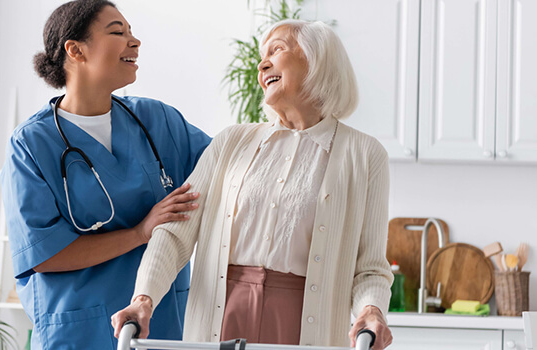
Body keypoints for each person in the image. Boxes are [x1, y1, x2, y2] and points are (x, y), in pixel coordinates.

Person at [111, 19, 394, 350]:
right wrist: (143, 299)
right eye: (263, 56)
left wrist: (372, 311)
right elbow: (176, 234)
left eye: (277, 50)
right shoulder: (231, 142)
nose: (262, 64)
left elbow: (370, 267)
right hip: (220, 315)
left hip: (303, 323)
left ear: (318, 60)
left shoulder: (364, 154)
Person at [0, 1, 211, 348]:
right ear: (76, 50)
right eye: (118, 32)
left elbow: (228, 170)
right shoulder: (31, 144)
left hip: (161, 326)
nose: (135, 41)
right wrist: (141, 232)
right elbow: (44, 254)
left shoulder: (157, 121)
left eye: (131, 32)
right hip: (79, 331)